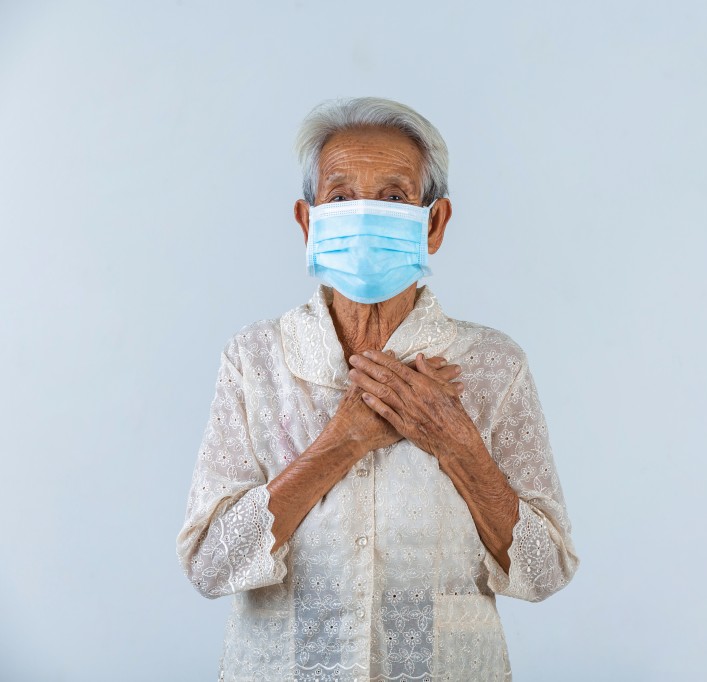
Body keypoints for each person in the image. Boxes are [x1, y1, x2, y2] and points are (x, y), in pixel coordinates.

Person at [175, 97, 579, 682]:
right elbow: (210, 563)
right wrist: (345, 439)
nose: (365, 216)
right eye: (340, 197)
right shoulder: (257, 360)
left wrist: (456, 443)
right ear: (308, 222)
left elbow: (547, 570)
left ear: (434, 223)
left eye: (393, 197)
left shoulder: (491, 366)